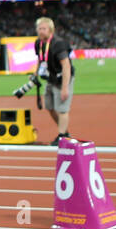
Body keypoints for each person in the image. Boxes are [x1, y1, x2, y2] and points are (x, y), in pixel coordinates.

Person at [34, 16, 75, 144]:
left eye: (44, 28)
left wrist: (65, 87)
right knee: (49, 106)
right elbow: (40, 59)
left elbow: (66, 66)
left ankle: (62, 136)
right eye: (39, 28)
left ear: (51, 30)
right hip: (50, 79)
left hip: (62, 78)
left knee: (62, 109)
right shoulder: (38, 43)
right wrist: (35, 74)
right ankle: (65, 131)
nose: (41, 31)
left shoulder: (58, 44)